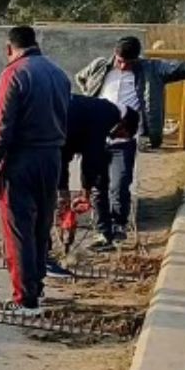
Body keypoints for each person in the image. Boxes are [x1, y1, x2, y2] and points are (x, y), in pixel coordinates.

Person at [76, 35, 185, 249]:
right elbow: (82, 78)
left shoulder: (152, 70)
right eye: (119, 61)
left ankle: (119, 226)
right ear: (114, 55)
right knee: (98, 187)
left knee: (119, 185)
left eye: (128, 62)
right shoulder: (101, 67)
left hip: (124, 139)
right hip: (96, 138)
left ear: (137, 58)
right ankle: (102, 232)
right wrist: (90, 98)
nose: (123, 66)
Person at [0, 26, 70, 315]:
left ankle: (24, 300)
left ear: (9, 48)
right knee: (41, 226)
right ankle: (36, 288)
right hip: (52, 158)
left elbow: (2, 127)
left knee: (18, 231)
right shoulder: (59, 73)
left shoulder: (15, 73)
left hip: (22, 160)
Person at [52, 96, 139, 268]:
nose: (116, 137)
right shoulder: (105, 115)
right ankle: (47, 252)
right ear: (123, 124)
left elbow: (68, 153)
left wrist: (64, 191)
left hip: (55, 134)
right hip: (52, 136)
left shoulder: (98, 110)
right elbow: (90, 158)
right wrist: (83, 192)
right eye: (122, 135)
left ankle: (50, 249)